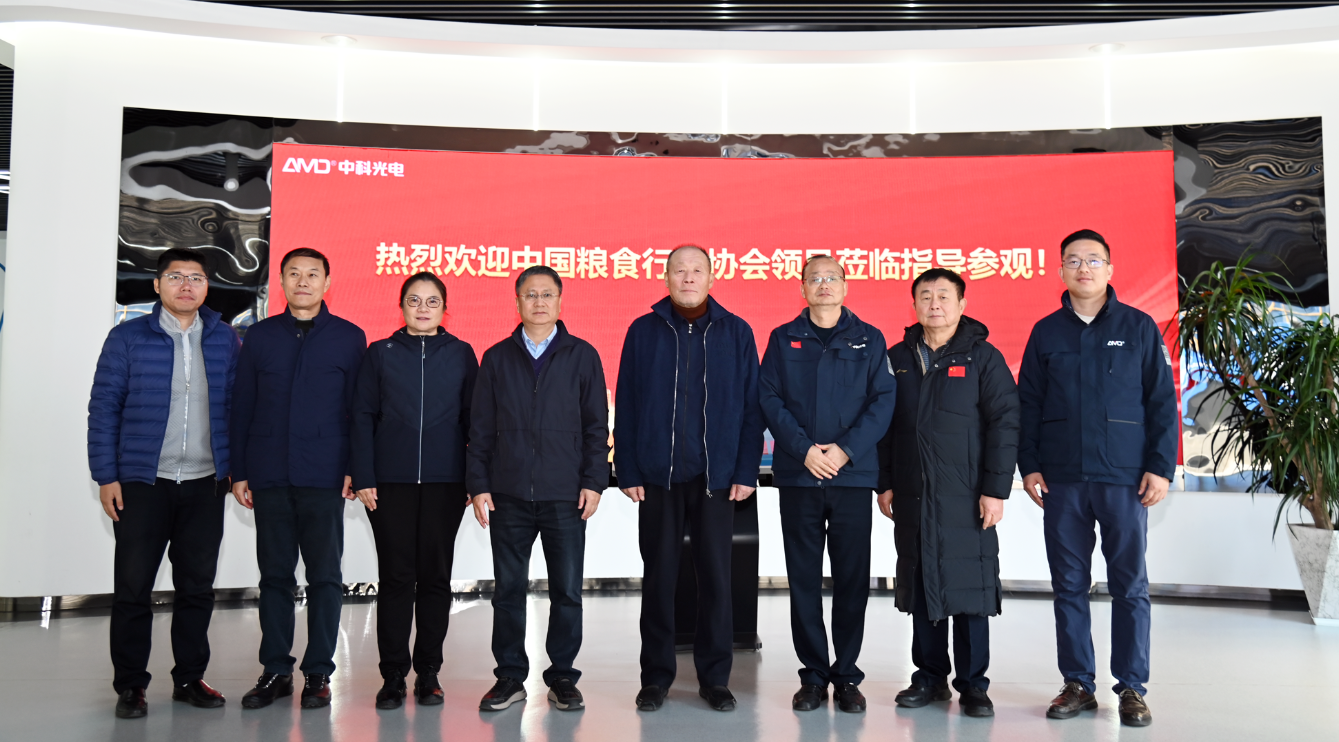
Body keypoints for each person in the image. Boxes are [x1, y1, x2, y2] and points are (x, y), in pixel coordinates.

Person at [1017, 229, 1177, 727]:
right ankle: (1078, 683)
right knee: (1069, 584)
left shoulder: (1139, 327)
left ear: (1110, 269)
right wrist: (1030, 465)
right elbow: (1028, 403)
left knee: (1129, 585)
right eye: (1073, 260)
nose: (1083, 268)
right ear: (1060, 271)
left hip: (1124, 477)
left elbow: (1161, 401)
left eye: (1093, 260)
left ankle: (1131, 687)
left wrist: (1161, 467)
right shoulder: (1046, 331)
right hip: (1062, 478)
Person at [88, 247, 241, 719]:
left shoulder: (225, 339)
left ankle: (190, 678)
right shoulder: (127, 337)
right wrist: (106, 476)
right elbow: (103, 408)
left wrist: (237, 469)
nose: (186, 285)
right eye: (175, 277)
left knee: (197, 588)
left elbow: (239, 408)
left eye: (196, 277)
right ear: (157, 285)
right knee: (133, 587)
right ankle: (131, 685)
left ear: (207, 287)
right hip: (142, 482)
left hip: (205, 483)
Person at [615, 244, 765, 713]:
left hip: (716, 478)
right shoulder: (643, 331)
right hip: (658, 477)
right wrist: (628, 469)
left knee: (716, 580)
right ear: (666, 278)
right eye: (679, 270)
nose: (688, 278)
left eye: (696, 270)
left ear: (711, 278)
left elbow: (752, 407)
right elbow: (628, 403)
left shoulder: (736, 331)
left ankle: (715, 679)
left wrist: (745, 469)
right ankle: (656, 678)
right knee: (659, 578)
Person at [876, 267, 1020, 718]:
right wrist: (885, 482)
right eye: (925, 296)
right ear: (914, 304)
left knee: (970, 586)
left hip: (967, 493)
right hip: (913, 493)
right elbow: (883, 426)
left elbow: (1005, 423)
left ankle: (974, 685)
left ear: (962, 304)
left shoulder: (983, 357)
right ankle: (929, 677)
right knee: (922, 583)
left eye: (943, 296)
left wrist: (995, 490)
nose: (934, 304)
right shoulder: (897, 358)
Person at [229, 247, 367, 710]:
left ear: (327, 282)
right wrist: (240, 471)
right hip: (269, 473)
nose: (303, 281)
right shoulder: (260, 336)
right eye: (293, 273)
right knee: (274, 577)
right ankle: (275, 670)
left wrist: (356, 467)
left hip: (325, 475)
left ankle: (319, 672)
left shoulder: (349, 337)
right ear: (282, 281)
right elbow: (242, 406)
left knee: (325, 577)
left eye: (312, 274)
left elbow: (359, 411)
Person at [468, 265, 609, 713]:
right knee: (508, 591)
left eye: (547, 294)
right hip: (507, 494)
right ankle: (510, 677)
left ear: (560, 301)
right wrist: (478, 485)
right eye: (531, 294)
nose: (539, 302)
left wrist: (594, 482)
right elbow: (480, 429)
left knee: (567, 591)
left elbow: (596, 427)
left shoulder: (582, 355)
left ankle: (563, 676)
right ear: (517, 302)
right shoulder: (496, 358)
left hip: (565, 495)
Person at [758, 255, 896, 713]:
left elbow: (882, 402)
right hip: (800, 476)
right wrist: (805, 451)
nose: (823, 284)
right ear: (802, 288)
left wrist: (843, 451)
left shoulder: (869, 338)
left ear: (845, 286)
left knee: (852, 579)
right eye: (814, 278)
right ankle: (814, 676)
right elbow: (769, 399)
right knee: (803, 579)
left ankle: (848, 675)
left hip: (851, 477)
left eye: (831, 277)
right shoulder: (783, 338)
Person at [350, 272, 478, 710]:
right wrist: (363, 475)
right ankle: (392, 676)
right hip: (390, 483)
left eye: (432, 301)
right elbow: (362, 416)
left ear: (445, 308)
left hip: (446, 483)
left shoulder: (461, 354)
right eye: (414, 300)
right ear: (401, 306)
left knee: (436, 579)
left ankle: (428, 673)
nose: (423, 308)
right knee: (396, 578)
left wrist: (474, 479)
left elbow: (474, 422)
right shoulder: (379, 353)